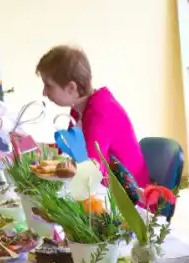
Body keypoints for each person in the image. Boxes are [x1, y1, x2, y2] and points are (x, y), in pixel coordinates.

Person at [37, 45, 149, 186]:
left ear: (72, 88)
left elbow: (90, 172)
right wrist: (35, 146)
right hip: (106, 189)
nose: (44, 93)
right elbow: (70, 152)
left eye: (48, 86)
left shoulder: (101, 112)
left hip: (129, 196)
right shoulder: (78, 109)